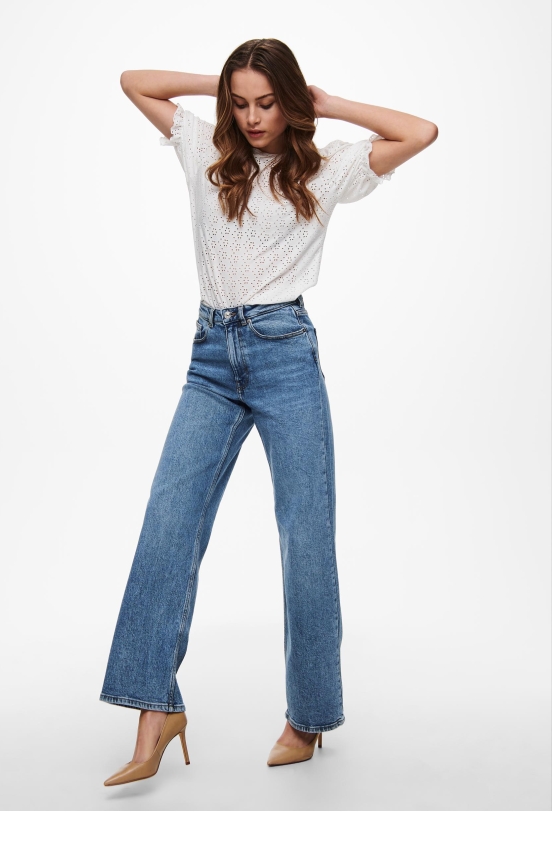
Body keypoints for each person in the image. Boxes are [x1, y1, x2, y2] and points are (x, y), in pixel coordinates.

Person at [100, 38, 438, 786]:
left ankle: (307, 716)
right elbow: (134, 80)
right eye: (241, 103)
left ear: (290, 100)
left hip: (286, 356)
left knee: (305, 538)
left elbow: (421, 131)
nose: (252, 118)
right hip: (210, 361)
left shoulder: (325, 168)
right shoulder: (203, 147)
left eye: (267, 102)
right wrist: (218, 82)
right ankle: (153, 714)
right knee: (167, 527)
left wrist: (326, 102)